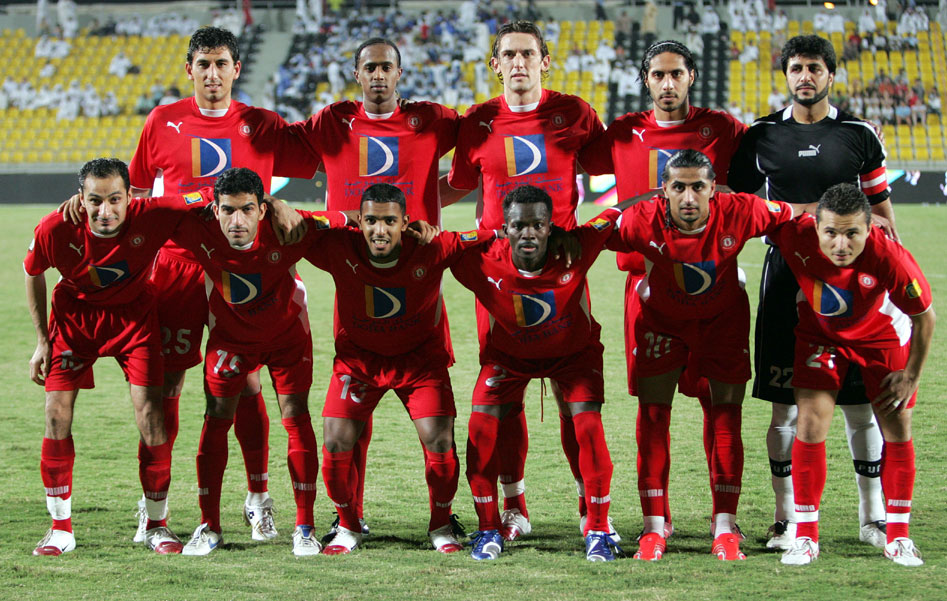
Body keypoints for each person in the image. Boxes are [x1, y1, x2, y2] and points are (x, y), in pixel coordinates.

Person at [128, 26, 313, 545]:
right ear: (189, 69)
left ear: (236, 68)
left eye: (222, 64)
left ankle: (258, 500)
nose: (212, 74)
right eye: (204, 64)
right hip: (180, 266)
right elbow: (139, 195)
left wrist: (278, 201)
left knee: (247, 380)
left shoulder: (263, 124)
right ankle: (155, 506)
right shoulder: (161, 121)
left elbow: (318, 161)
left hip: (246, 266)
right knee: (168, 386)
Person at [728, 35, 898, 551]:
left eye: (815, 68)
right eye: (797, 68)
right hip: (785, 279)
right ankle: (786, 519)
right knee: (784, 408)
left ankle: (873, 517)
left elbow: (883, 216)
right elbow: (738, 207)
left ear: (831, 75)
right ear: (786, 75)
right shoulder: (760, 136)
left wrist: (887, 274)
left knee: (859, 405)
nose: (806, 76)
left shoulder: (859, 135)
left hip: (850, 284)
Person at [287, 37, 461, 538]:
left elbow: (479, 155)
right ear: (356, 74)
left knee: (438, 432)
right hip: (355, 271)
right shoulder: (331, 122)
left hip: (416, 275)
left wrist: (433, 212)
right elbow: (276, 150)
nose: (379, 75)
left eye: (387, 67)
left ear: (400, 73)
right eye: (370, 68)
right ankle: (349, 519)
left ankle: (445, 519)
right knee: (346, 427)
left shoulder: (432, 120)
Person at [442, 20, 608, 542]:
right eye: (509, 55)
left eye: (528, 54)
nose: (519, 63)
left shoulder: (575, 113)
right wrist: (394, 213)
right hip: (497, 273)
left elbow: (612, 166)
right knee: (505, 392)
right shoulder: (477, 122)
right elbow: (456, 186)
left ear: (545, 61)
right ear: (495, 65)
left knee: (571, 393)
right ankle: (514, 506)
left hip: (562, 268)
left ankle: (588, 501)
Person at [579, 40, 748, 539]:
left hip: (713, 282)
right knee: (654, 407)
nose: (668, 83)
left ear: (692, 76)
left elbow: (761, 173)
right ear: (646, 80)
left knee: (720, 405)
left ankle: (724, 519)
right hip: (646, 287)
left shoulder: (723, 129)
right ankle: (657, 520)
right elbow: (572, 159)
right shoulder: (623, 132)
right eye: (658, 75)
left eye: (676, 74)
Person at [612, 150, 797, 561]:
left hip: (722, 324)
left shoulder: (742, 210)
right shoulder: (641, 218)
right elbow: (590, 235)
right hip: (662, 324)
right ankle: (654, 528)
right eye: (679, 187)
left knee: (726, 417)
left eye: (698, 186)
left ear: (714, 189)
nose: (689, 197)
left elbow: (792, 217)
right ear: (664, 190)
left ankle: (725, 527)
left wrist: (859, 220)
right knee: (653, 416)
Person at [25, 158, 197, 556]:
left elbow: (204, 196)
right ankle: (60, 529)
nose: (105, 211)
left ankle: (156, 525)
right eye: (95, 201)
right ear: (80, 199)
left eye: (115, 199)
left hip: (134, 319)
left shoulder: (153, 213)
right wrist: (42, 341)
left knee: (152, 415)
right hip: (74, 321)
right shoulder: (54, 227)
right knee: (56, 414)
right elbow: (33, 271)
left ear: (130, 196)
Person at [171, 168, 346, 557]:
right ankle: (209, 526)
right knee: (216, 420)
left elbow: (342, 221)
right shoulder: (198, 229)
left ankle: (304, 527)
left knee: (296, 418)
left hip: (287, 341)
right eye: (228, 210)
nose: (237, 221)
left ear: (263, 210)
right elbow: (145, 212)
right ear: (214, 210)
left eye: (247, 209)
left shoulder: (288, 228)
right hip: (231, 342)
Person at [302, 183, 483, 555]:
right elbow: (295, 226)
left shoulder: (432, 247)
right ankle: (348, 526)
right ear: (360, 221)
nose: (379, 230)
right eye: (370, 221)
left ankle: (441, 525)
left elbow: (487, 237)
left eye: (389, 221)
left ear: (405, 222)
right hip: (358, 362)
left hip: (419, 363)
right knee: (335, 441)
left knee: (440, 441)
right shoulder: (339, 247)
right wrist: (341, 217)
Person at [449, 185, 622, 562]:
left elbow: (617, 214)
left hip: (572, 356)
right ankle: (489, 528)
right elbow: (436, 246)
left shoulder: (575, 247)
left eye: (537, 225)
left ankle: (596, 526)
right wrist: (480, 235)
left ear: (550, 227)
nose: (528, 233)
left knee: (588, 425)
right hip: (509, 358)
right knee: (480, 427)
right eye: (518, 226)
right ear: (504, 229)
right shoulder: (482, 259)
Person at [768, 183, 934, 567]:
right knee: (809, 423)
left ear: (870, 229)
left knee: (897, 424)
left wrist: (911, 376)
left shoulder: (890, 256)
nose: (840, 244)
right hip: (820, 336)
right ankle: (806, 537)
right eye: (831, 232)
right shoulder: (793, 233)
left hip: (881, 336)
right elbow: (750, 212)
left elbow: (925, 318)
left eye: (852, 234)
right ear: (815, 226)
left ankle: (899, 537)